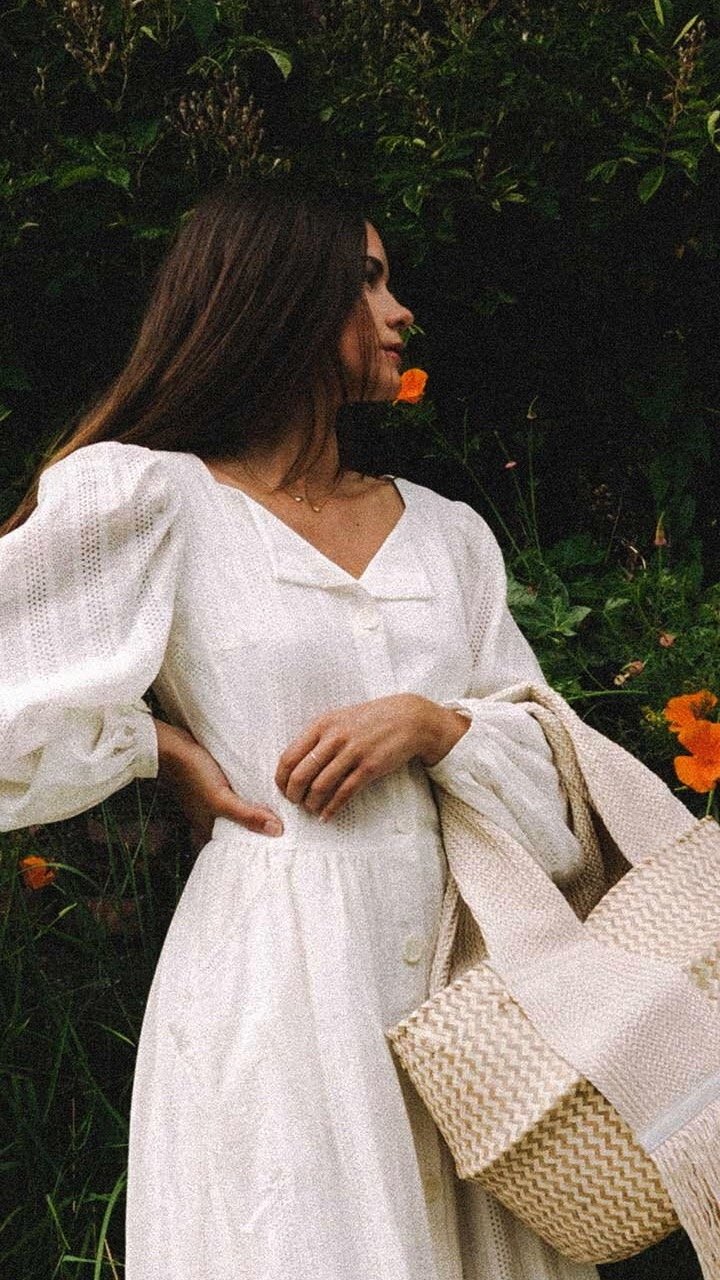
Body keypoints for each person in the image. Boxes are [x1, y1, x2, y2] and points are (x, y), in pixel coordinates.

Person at [0, 180, 598, 1279]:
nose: (399, 309)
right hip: (277, 982)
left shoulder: (451, 539)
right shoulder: (153, 501)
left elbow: (561, 804)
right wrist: (151, 747)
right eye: (367, 279)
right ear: (280, 298)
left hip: (472, 998)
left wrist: (435, 723)